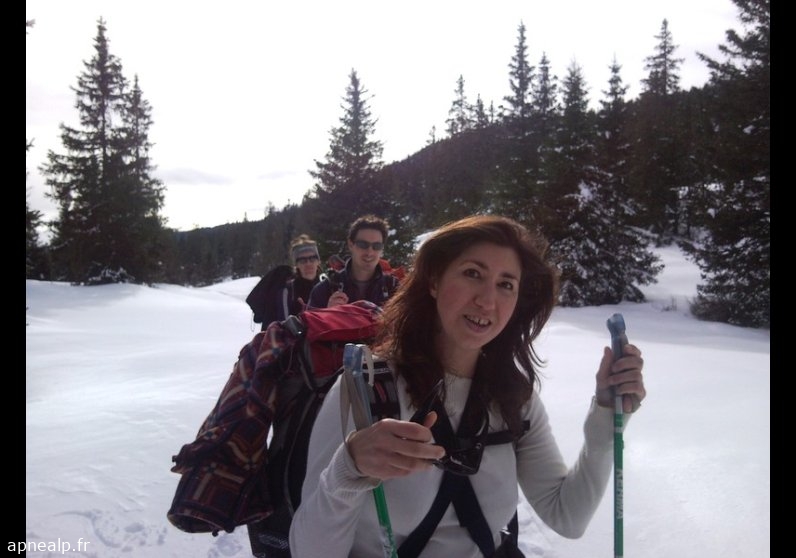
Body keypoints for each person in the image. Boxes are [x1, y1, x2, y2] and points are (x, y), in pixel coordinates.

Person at [289, 214, 646, 557]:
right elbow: (309, 552)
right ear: (434, 281)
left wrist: (606, 417)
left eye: (506, 284)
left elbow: (567, 516)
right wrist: (349, 467)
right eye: (473, 273)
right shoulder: (368, 390)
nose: (487, 301)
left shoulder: (513, 397)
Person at [307, 214, 399, 309]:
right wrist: (327, 313)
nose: (369, 252)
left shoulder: (394, 290)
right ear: (351, 244)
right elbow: (308, 318)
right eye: (363, 244)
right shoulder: (326, 289)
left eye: (377, 246)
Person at [245, 234, 323, 330]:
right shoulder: (287, 291)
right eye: (302, 261)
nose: (308, 264)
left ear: (318, 261)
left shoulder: (327, 287)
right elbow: (285, 325)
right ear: (296, 265)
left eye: (312, 259)